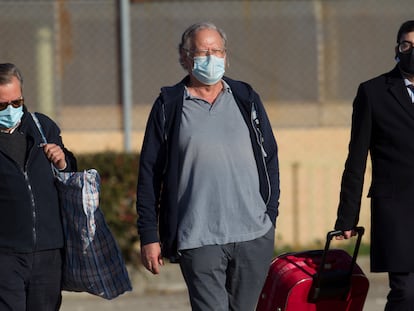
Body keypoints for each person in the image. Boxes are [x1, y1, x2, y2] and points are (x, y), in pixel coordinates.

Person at [136, 22, 280, 311]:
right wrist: (149, 235)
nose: (211, 58)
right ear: (186, 57)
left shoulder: (245, 97)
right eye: (202, 52)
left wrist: (270, 214)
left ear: (226, 56)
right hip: (198, 237)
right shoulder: (169, 105)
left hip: (253, 234)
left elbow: (270, 158)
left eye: (216, 51)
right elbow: (149, 174)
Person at [334, 20, 414, 311]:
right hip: (398, 213)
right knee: (406, 294)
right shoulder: (374, 92)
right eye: (407, 45)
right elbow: (356, 159)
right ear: (397, 49)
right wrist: (347, 217)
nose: (412, 51)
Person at [0, 63, 77, 310]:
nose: (11, 110)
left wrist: (63, 161)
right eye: (2, 105)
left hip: (48, 251)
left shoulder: (43, 127)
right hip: (5, 255)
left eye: (16, 103)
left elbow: (70, 172)